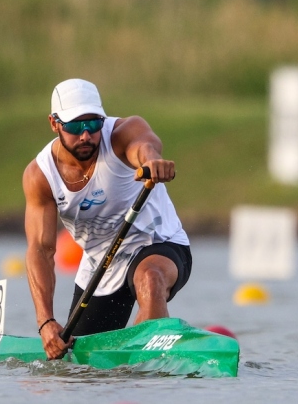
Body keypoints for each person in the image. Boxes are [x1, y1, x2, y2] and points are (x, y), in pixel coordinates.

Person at [23, 78, 191, 360]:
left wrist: (151, 161)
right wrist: (45, 322)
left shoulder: (123, 132)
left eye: (93, 124)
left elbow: (145, 145)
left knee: (150, 280)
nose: (86, 135)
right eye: (76, 126)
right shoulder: (40, 176)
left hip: (158, 242)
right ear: (54, 124)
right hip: (102, 265)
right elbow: (41, 250)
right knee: (82, 368)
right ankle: (130, 364)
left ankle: (149, 378)